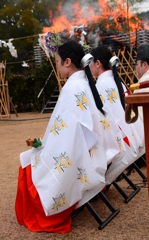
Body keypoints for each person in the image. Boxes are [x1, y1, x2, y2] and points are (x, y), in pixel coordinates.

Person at [15, 41, 124, 234]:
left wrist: (45, 146)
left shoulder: (72, 88)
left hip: (81, 156)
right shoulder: (85, 83)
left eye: (57, 61)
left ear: (67, 62)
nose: (56, 66)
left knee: (28, 159)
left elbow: (65, 137)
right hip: (94, 152)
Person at [90, 46, 145, 160]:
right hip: (133, 136)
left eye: (91, 62)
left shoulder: (101, 85)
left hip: (120, 142)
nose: (88, 66)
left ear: (98, 63)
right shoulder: (115, 80)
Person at [134, 44, 149, 121]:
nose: (135, 69)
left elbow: (139, 120)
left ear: (144, 65)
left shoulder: (142, 86)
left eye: (136, 64)